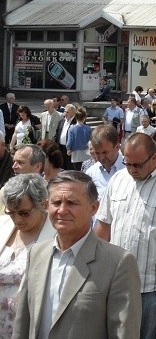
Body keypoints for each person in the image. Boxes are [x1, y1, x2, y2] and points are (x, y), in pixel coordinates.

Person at [13, 171, 142, 338]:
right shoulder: (36, 254)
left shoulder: (118, 263)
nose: (62, 210)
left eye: (72, 203)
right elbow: (23, 323)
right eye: (56, 202)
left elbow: (125, 332)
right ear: (46, 205)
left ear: (94, 208)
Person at [95, 133, 156, 339]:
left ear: (154, 157)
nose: (131, 170)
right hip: (117, 281)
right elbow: (104, 225)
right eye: (127, 163)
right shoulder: (118, 179)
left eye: (137, 165)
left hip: (153, 287)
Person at [0, 174, 56, 338]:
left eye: (24, 213)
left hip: (32, 324)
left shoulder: (56, 233)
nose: (17, 219)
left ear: (43, 204)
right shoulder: (2, 225)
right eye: (11, 212)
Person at [85, 125, 125, 200]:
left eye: (105, 152)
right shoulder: (91, 173)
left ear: (117, 147)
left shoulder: (130, 170)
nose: (102, 157)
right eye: (97, 153)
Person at [54, 104, 77, 170]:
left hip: (70, 150)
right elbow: (57, 134)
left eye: (67, 112)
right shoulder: (61, 121)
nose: (65, 114)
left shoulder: (76, 122)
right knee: (61, 167)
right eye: (65, 111)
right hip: (60, 148)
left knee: (69, 167)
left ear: (73, 112)